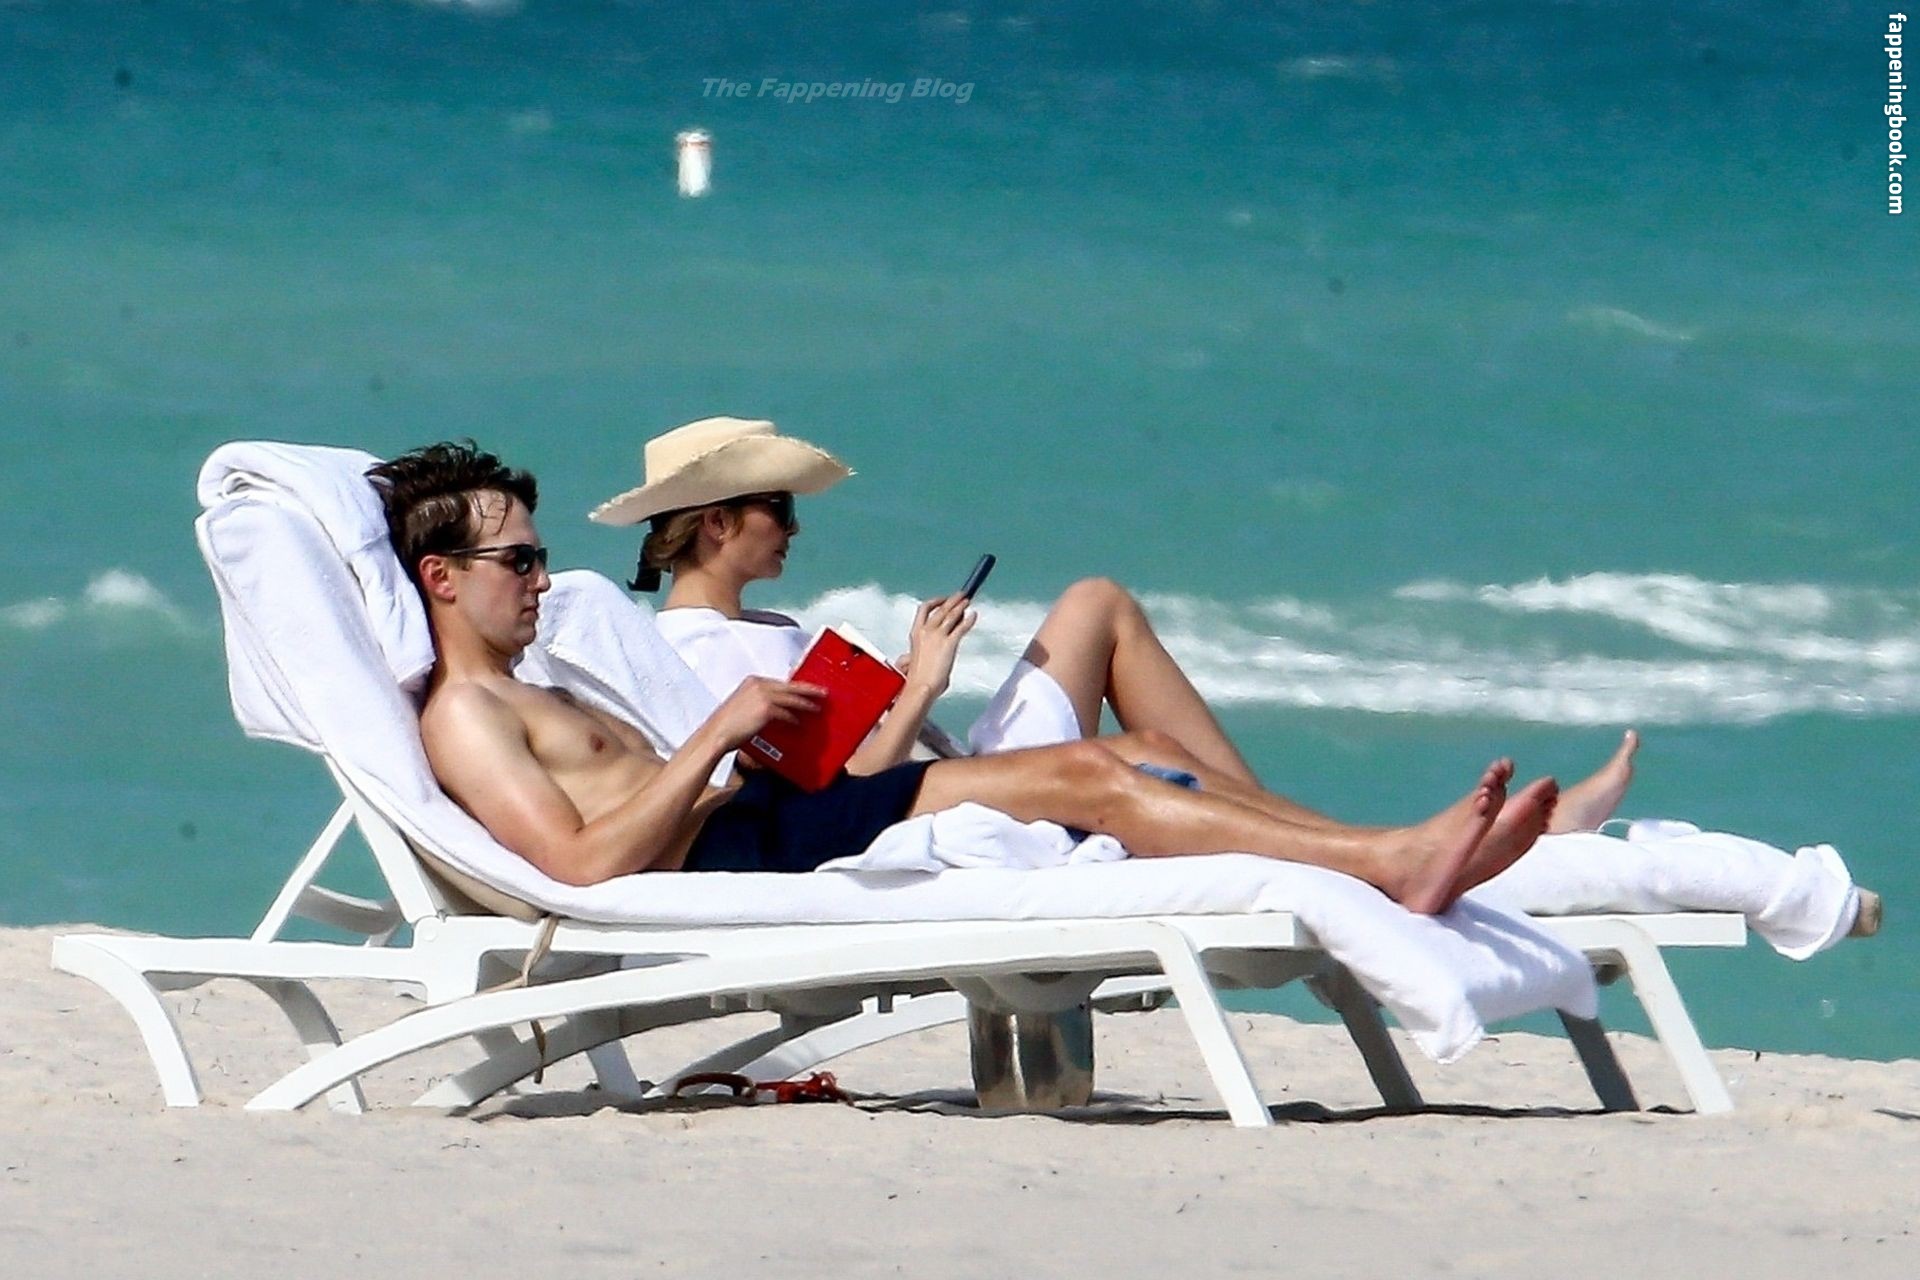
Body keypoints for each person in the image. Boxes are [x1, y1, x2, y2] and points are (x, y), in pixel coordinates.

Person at [369, 440, 1556, 913]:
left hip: (765, 817)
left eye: (540, 556)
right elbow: (579, 866)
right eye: (518, 561)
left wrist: (733, 748)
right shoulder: (466, 712)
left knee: (1120, 760)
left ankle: (1378, 853)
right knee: (1100, 773)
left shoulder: (534, 684)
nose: (541, 577)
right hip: (743, 848)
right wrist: (718, 735)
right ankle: (1383, 863)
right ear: (441, 577)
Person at [589, 415, 1637, 833]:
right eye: (777, 508)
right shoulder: (698, 652)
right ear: (717, 523)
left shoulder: (770, 622)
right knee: (1128, 701)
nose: (794, 525)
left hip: (958, 774)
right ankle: (1357, 842)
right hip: (930, 805)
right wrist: (923, 683)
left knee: (1099, 602)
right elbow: (840, 795)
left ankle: (1305, 829)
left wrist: (908, 678)